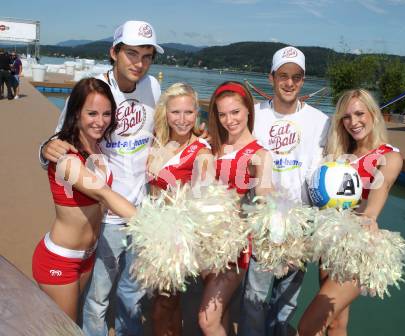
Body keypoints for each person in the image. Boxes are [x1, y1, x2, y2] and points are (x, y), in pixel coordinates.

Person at [40, 20, 163, 336]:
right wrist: (45, 148)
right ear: (114, 52)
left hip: (140, 206)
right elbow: (60, 140)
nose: (139, 63)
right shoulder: (92, 89)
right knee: (96, 300)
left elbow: (156, 137)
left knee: (133, 297)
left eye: (147, 56)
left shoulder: (153, 88)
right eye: (132, 54)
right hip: (106, 217)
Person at [238, 46, 330, 336]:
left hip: (300, 222)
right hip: (262, 219)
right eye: (283, 76)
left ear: (303, 80)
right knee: (254, 294)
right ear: (271, 77)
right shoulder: (254, 115)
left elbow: (330, 165)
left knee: (286, 300)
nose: (290, 83)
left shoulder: (320, 121)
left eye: (297, 77)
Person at [297, 88, 403, 336]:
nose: (353, 122)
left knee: (308, 326)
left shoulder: (388, 157)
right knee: (335, 324)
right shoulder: (339, 157)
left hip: (357, 249)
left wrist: (370, 216)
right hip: (330, 246)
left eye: (359, 114)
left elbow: (381, 186)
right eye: (346, 117)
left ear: (373, 114)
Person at [32, 77, 137, 321]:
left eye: (107, 114)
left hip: (86, 257)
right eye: (92, 113)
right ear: (76, 112)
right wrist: (154, 226)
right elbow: (104, 194)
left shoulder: (98, 148)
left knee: (68, 322)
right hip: (60, 258)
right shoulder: (66, 157)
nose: (100, 122)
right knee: (64, 328)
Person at [199, 81, 272, 336]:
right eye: (222, 114)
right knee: (223, 314)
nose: (229, 120)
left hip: (234, 246)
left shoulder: (260, 155)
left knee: (207, 320)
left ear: (248, 111)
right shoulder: (214, 147)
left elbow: (265, 199)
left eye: (235, 112)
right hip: (208, 242)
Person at [146, 83, 212, 336]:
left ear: (197, 113)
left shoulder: (202, 151)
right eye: (175, 112)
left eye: (188, 112)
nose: (182, 120)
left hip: (176, 237)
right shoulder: (157, 139)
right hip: (151, 230)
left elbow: (204, 198)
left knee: (164, 305)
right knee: (165, 303)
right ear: (165, 112)